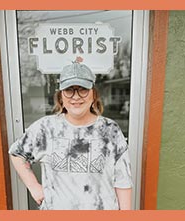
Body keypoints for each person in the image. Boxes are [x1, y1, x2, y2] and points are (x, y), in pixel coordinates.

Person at [9, 58, 132, 210]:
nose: (76, 96)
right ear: (61, 96)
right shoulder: (46, 128)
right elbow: (17, 154)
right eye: (69, 90)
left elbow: (122, 180)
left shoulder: (110, 130)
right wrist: (34, 186)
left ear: (93, 94)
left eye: (83, 89)